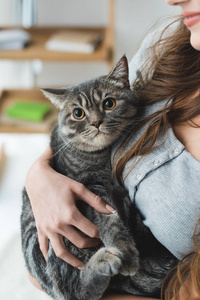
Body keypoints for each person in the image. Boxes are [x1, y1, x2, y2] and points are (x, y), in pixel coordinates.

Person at [25, 0, 200, 299]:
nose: (172, 0)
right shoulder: (174, 45)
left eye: (107, 106)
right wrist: (39, 177)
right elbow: (67, 137)